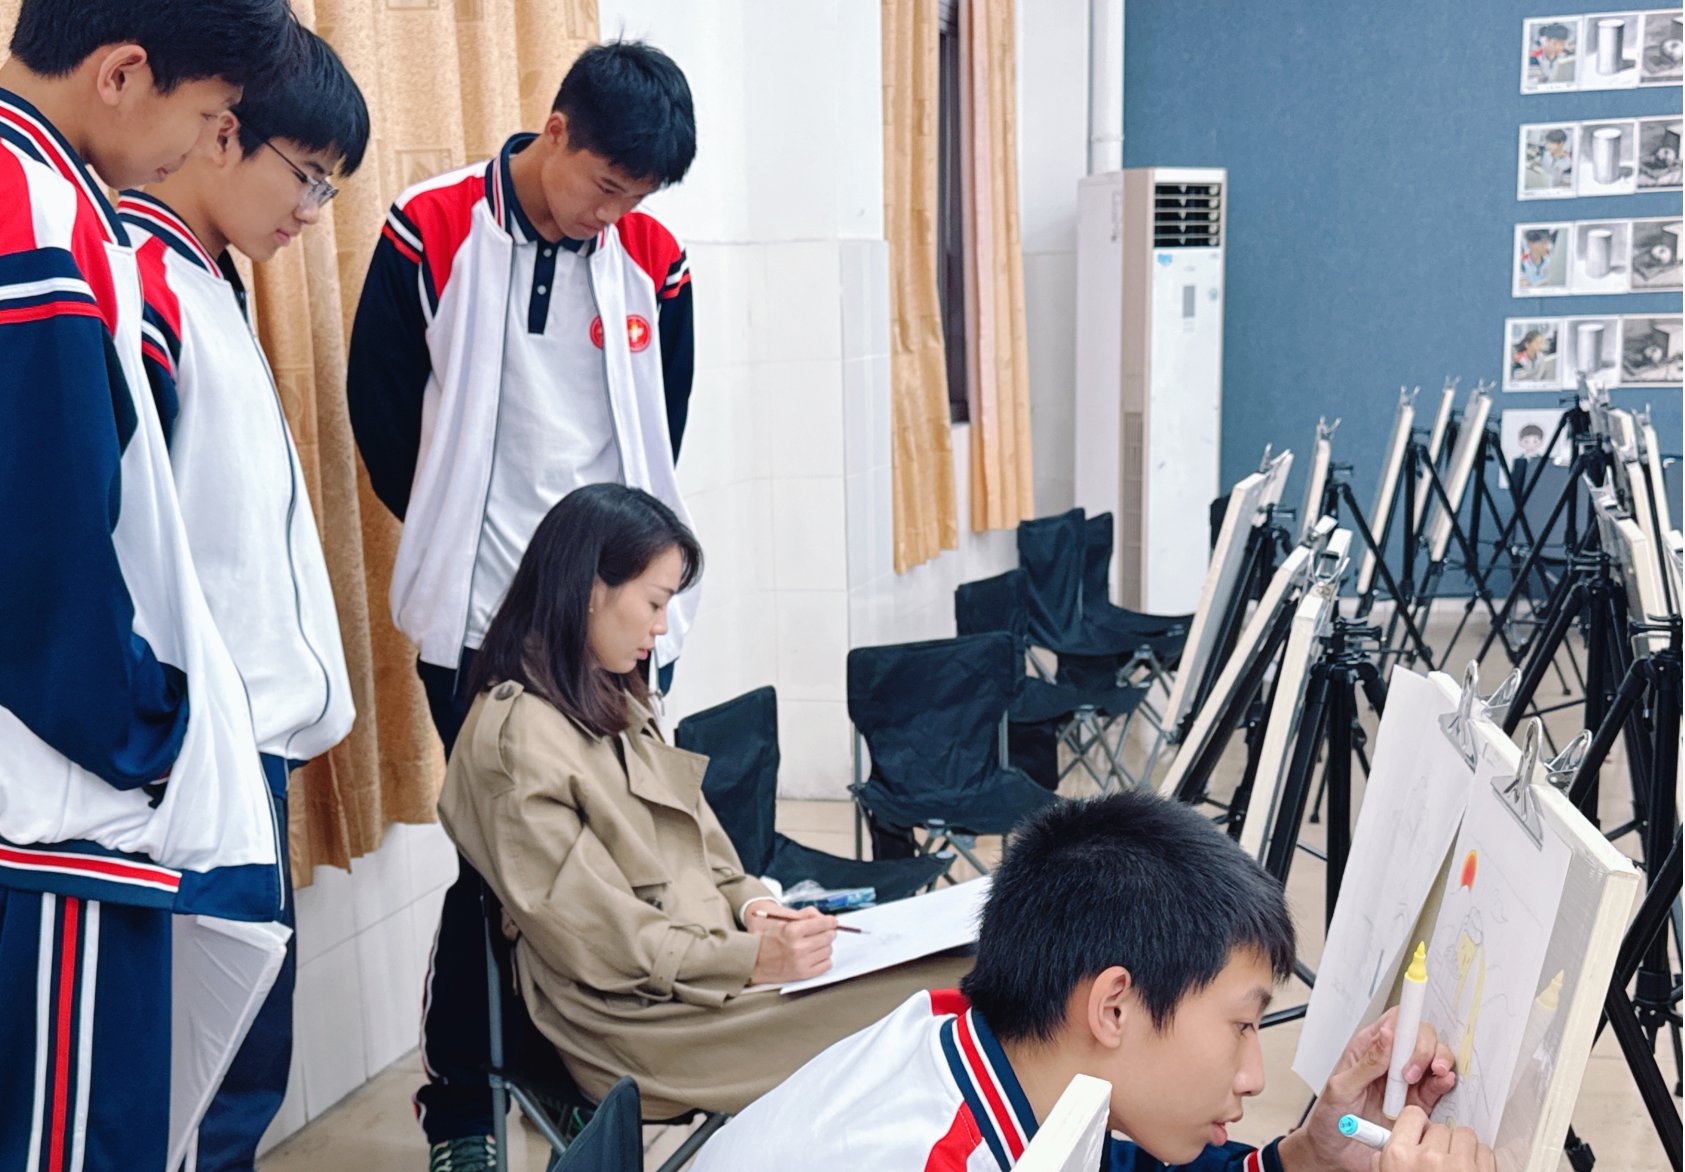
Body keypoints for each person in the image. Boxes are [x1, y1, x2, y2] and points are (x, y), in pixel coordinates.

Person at [346, 39, 702, 1167]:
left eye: (636, 196)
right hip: (476, 620)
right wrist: (456, 530)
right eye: (604, 184)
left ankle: (579, 1093)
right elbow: (379, 407)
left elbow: (662, 419)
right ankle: (461, 1107)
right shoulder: (432, 227)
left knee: (612, 859)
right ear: (556, 131)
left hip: (615, 628)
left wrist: (624, 591)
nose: (613, 214)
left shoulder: (654, 259)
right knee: (500, 868)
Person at [0, 2, 296, 1169]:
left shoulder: (52, 193)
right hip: (58, 797)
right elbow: (46, 550)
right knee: (77, 1140)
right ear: (124, 73)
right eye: (211, 115)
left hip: (53, 778)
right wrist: (150, 731)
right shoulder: (35, 212)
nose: (204, 146)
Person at [436, 485, 973, 1123]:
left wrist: (758, 911)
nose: (661, 626)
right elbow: (602, 941)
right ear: (590, 588)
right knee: (949, 1000)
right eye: (655, 602)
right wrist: (751, 960)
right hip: (639, 1025)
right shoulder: (516, 742)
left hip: (710, 971)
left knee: (966, 965)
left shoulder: (606, 694)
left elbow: (704, 850)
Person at [694, 790, 1495, 1172]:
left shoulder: (993, 1055)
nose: (1254, 1076)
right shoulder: (940, 1157)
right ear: (1112, 1006)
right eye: (1242, 1026)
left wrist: (1310, 1157)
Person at [117, 28, 370, 1170]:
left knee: (245, 1054)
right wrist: (177, 728)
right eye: (307, 176)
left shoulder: (208, 279)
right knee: (206, 1076)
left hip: (245, 745)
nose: (313, 211)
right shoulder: (143, 284)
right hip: (196, 754)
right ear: (222, 133)